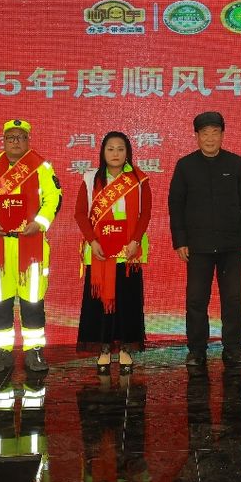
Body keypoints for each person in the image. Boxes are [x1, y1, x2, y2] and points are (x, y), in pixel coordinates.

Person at [0, 119, 62, 375]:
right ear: (4, 141)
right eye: (10, 137)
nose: (15, 142)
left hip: (32, 244)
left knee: (33, 300)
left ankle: (34, 351)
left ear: (28, 141)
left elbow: (54, 198)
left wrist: (40, 223)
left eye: (21, 137)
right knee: (0, 300)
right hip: (0, 245)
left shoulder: (41, 168)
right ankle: (2, 352)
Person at [169, 111, 241, 368]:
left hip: (232, 245)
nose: (210, 138)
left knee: (232, 299)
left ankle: (233, 348)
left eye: (215, 133)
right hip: (198, 246)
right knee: (196, 300)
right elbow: (176, 206)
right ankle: (197, 350)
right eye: (204, 133)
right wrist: (180, 241)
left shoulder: (236, 164)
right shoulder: (185, 166)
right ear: (196, 136)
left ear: (222, 135)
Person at [74, 131, 152, 373]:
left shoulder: (138, 179)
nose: (115, 153)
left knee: (128, 302)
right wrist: (92, 241)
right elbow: (80, 214)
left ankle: (126, 349)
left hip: (129, 252)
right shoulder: (91, 179)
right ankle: (105, 349)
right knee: (99, 305)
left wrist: (135, 241)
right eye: (110, 149)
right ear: (103, 152)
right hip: (99, 251)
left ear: (127, 152)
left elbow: (145, 214)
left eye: (120, 149)